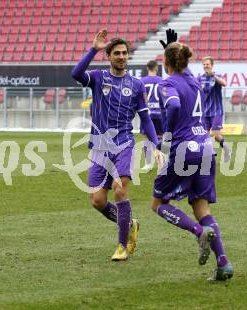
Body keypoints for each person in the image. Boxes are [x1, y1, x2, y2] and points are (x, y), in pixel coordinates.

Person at [71, 29, 162, 261]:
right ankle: (130, 223)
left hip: (123, 144)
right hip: (100, 147)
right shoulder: (99, 78)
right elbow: (76, 73)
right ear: (109, 56)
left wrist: (156, 144)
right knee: (97, 201)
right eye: (117, 53)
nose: (122, 56)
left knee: (120, 190)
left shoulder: (137, 85)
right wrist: (93, 49)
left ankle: (122, 245)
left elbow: (146, 118)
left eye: (125, 53)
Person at [150, 42, 233, 281]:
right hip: (205, 147)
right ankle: (223, 264)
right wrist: (175, 50)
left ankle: (199, 233)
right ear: (185, 62)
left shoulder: (167, 83)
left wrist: (165, 140)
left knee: (158, 204)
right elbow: (182, 69)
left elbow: (174, 104)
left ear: (166, 64)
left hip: (183, 148)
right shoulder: (194, 80)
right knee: (201, 207)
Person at [198, 56, 231, 161]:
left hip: (216, 110)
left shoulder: (217, 76)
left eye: (207, 64)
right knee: (204, 135)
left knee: (216, 135)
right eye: (204, 64)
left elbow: (224, 83)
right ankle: (210, 152)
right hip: (205, 112)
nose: (205, 66)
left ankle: (226, 149)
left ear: (212, 65)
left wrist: (214, 76)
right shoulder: (200, 78)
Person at [140, 60, 163, 172]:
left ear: (147, 68)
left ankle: (148, 164)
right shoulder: (162, 81)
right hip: (160, 113)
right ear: (156, 68)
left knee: (147, 138)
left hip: (147, 113)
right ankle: (161, 163)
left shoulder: (142, 81)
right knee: (161, 137)